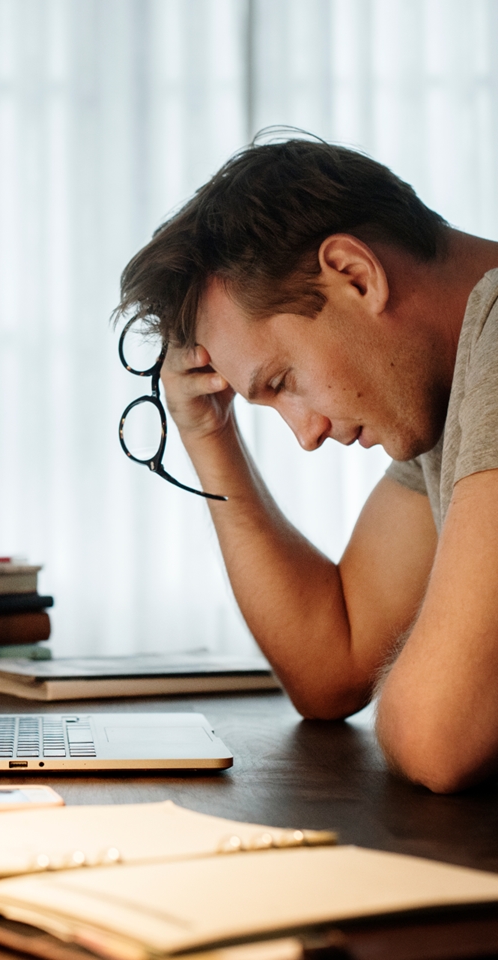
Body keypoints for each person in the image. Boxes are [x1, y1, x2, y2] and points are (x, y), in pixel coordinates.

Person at [116, 136, 498, 793]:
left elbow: (441, 732)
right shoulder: (444, 398)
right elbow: (334, 665)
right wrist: (207, 429)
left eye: (284, 380)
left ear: (354, 274)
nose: (307, 434)